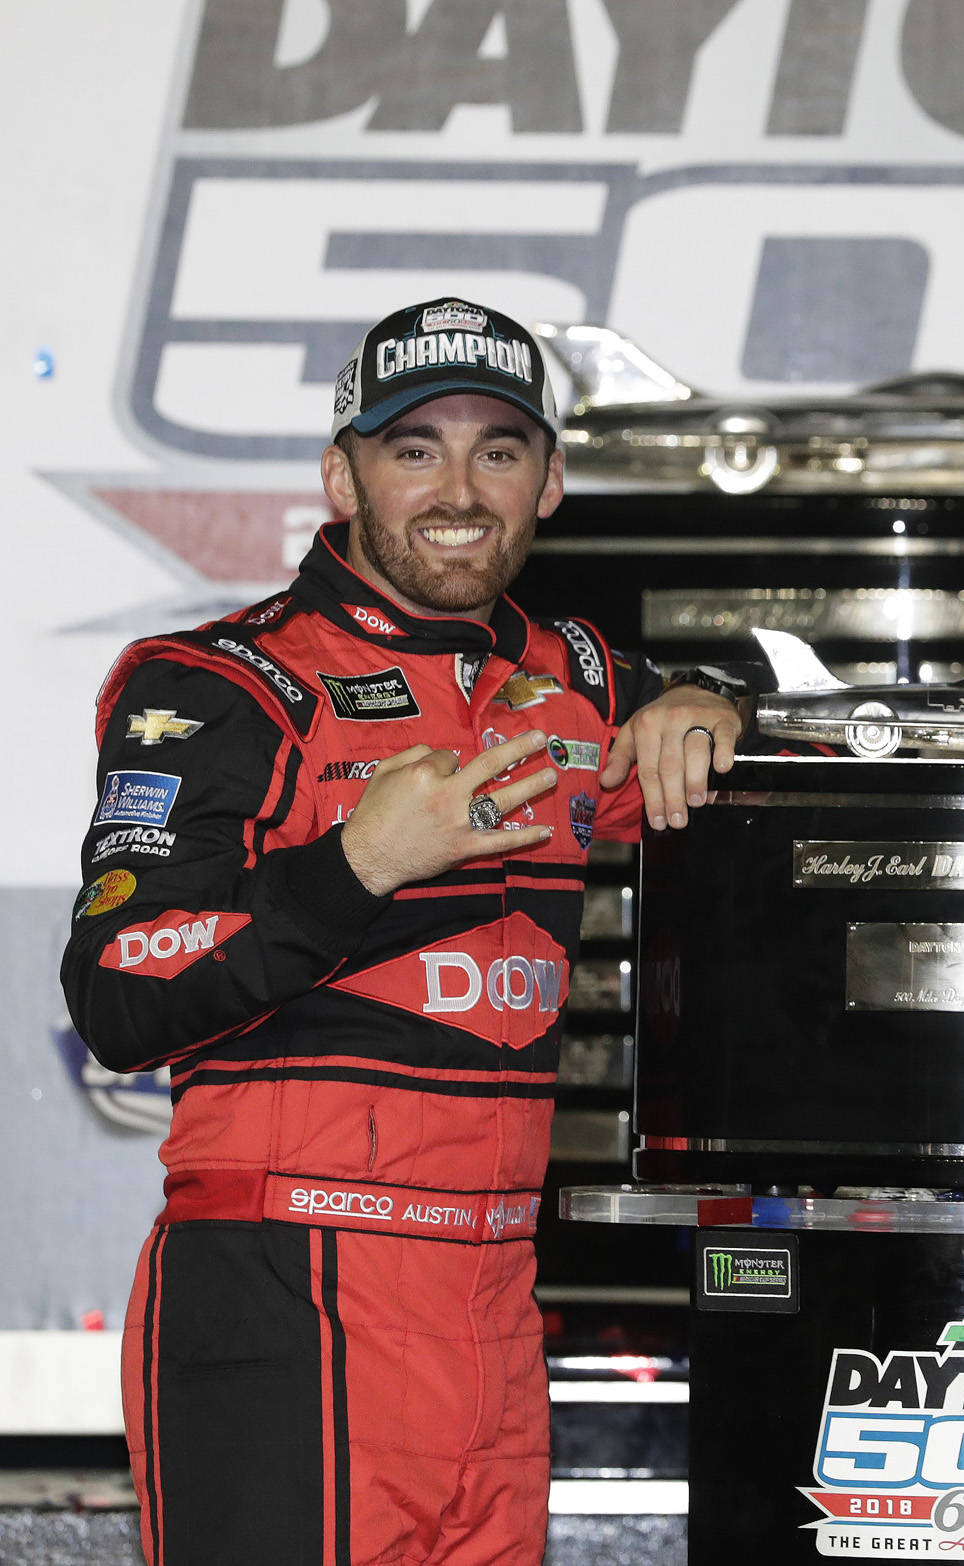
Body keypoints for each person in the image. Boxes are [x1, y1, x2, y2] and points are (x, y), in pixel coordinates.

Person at [62, 297, 745, 1566]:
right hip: (288, 1280)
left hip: (492, 1294)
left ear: (550, 482)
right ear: (343, 475)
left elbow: (788, 751)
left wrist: (710, 698)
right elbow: (114, 992)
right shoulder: (224, 684)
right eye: (412, 447)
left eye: (499, 450)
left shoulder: (582, 678)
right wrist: (365, 860)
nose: (459, 489)